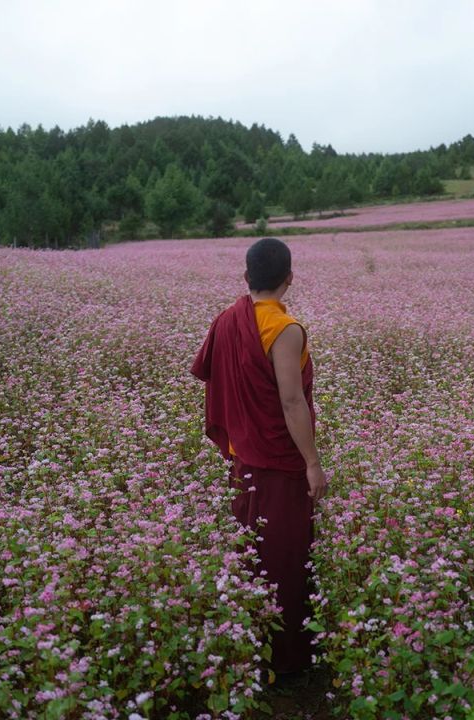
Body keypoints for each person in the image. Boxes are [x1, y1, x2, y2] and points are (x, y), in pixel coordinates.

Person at [191, 237, 328, 676]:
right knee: (284, 558)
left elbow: (212, 377)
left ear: (247, 277)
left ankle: (248, 651)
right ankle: (287, 664)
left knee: (253, 552)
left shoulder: (227, 321)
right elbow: (291, 402)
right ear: (289, 279)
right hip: (280, 464)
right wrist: (312, 462)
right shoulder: (284, 329)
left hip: (245, 458)